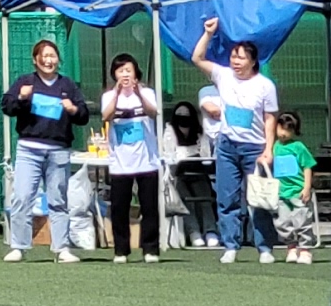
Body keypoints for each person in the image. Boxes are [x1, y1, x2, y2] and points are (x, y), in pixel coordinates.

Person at [191, 17, 281, 264]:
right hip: (227, 146)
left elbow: (270, 118)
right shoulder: (224, 76)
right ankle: (230, 245)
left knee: (259, 198)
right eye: (233, 56)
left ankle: (264, 247)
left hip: (255, 149)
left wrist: (268, 149)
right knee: (226, 198)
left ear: (253, 61)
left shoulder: (265, 86)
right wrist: (208, 34)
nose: (235, 61)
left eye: (241, 57)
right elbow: (197, 58)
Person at [1, 37, 87, 262]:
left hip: (59, 151)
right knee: (22, 197)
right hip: (29, 150)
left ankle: (61, 248)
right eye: (45, 56)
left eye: (53, 56)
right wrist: (22, 97)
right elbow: (7, 107)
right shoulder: (25, 81)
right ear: (35, 59)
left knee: (58, 200)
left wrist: (73, 109)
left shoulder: (67, 85)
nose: (49, 60)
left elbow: (83, 115)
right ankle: (19, 246)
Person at [99, 54, 164, 263]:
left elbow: (153, 112)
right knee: (120, 208)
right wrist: (117, 94)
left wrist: (138, 93)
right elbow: (106, 116)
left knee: (149, 207)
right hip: (120, 163)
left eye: (128, 70)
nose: (125, 75)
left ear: (136, 73)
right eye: (120, 71)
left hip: (147, 161)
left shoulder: (147, 93)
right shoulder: (109, 96)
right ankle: (121, 250)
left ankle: (150, 249)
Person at [163, 97, 216, 250]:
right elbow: (169, 155)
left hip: (198, 173)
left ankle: (210, 231)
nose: (183, 120)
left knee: (205, 200)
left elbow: (206, 157)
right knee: (187, 202)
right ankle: (194, 233)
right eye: (180, 116)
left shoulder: (199, 134)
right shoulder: (170, 131)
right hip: (178, 175)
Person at [272, 110, 315, 263]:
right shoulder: (274, 147)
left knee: (302, 221)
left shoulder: (298, 147)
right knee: (282, 223)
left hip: (298, 192)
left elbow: (307, 166)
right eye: (281, 128)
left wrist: (306, 187)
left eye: (288, 130)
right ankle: (291, 247)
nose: (283, 133)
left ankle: (305, 250)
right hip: (281, 193)